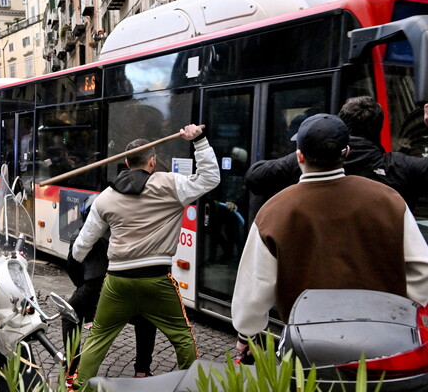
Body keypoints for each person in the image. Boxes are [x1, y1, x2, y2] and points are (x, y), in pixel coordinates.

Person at [231, 114, 428, 357]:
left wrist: (247, 334)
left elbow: (254, 289)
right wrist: (402, 314)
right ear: (346, 152)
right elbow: (422, 269)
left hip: (308, 345)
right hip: (383, 341)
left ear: (299, 156)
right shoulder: (388, 199)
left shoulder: (274, 211)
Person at [71, 124, 220, 387]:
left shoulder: (105, 197)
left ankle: (79, 386)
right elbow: (210, 178)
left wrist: (80, 268)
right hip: (157, 280)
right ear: (152, 161)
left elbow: (83, 245)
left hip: (117, 281)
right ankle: (191, 385)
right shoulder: (171, 185)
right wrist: (200, 141)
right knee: (182, 337)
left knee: (99, 337)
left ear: (127, 162)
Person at [245, 96, 428, 210]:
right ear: (379, 129)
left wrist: (304, 154)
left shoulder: (312, 162)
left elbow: (255, 176)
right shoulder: (401, 168)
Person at [63, 195, 156, 385]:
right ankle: (142, 370)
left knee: (69, 314)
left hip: (93, 288)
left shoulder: (80, 236)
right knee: (146, 319)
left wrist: (83, 289)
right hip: (124, 287)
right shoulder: (124, 233)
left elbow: (72, 268)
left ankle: (72, 367)